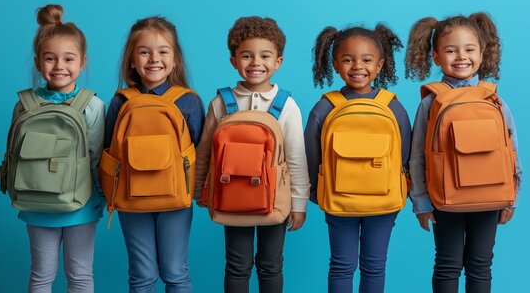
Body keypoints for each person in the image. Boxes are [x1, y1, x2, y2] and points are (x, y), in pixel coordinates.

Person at [405, 12, 523, 293]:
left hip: (490, 198)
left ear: (482, 54)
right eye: (451, 50)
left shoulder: (494, 99)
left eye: (470, 49)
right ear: (435, 57)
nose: (461, 57)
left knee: (481, 264)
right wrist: (421, 201)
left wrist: (512, 197)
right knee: (447, 263)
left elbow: (511, 150)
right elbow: (418, 156)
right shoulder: (430, 101)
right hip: (445, 199)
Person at [194, 16, 310, 293]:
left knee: (271, 264)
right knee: (236, 263)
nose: (256, 63)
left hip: (275, 201)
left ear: (278, 61)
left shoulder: (287, 105)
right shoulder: (221, 101)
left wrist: (299, 203)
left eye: (265, 56)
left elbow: (296, 156)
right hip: (231, 196)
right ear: (234, 60)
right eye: (247, 55)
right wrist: (199, 190)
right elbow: (205, 151)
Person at [3, 4, 106, 292]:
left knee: (69, 275)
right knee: (52, 275)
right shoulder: (24, 104)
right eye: (50, 58)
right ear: (37, 62)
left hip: (77, 204)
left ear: (82, 62)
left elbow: (96, 156)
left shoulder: (93, 105)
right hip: (46, 204)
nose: (59, 66)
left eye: (68, 59)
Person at [304, 24, 411, 293]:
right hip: (379, 198)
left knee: (349, 265)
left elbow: (312, 154)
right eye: (348, 59)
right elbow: (405, 153)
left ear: (380, 64)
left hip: (346, 197)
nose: (357, 66)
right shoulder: (391, 106)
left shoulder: (326, 106)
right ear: (336, 64)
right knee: (366, 266)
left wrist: (317, 191)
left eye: (366, 60)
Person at [103, 16, 204, 293]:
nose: (153, 59)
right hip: (131, 199)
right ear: (132, 60)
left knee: (175, 272)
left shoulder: (188, 101)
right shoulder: (121, 100)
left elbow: (196, 151)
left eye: (163, 51)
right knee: (141, 274)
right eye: (144, 51)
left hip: (176, 201)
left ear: (175, 60)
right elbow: (109, 150)